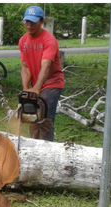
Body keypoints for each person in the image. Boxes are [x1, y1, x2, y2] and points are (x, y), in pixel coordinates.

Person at [19, 5, 64, 141]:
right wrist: (26, 89)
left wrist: (37, 88)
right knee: (31, 116)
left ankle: (47, 153)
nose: (29, 24)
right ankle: (35, 149)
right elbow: (25, 68)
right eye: (27, 21)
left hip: (52, 82)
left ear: (41, 22)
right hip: (35, 83)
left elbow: (46, 66)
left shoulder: (49, 40)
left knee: (44, 119)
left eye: (33, 21)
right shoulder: (23, 41)